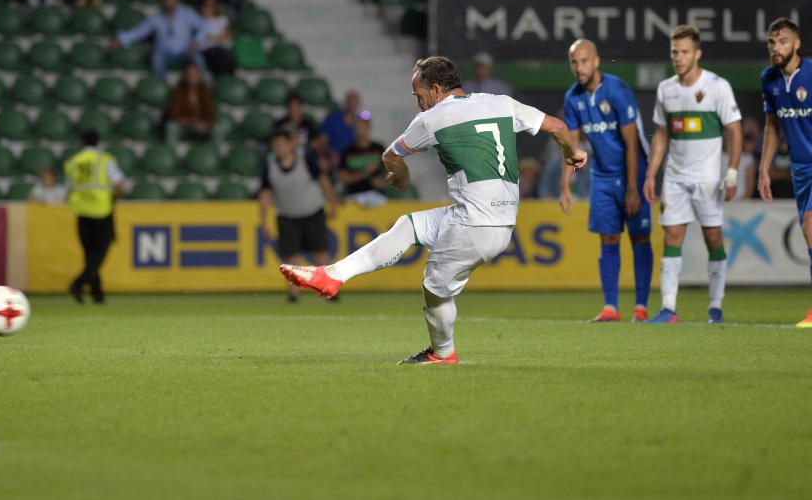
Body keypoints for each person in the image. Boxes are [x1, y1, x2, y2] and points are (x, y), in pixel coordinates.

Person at [281, 56, 587, 364]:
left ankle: (442, 353)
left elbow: (390, 155)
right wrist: (573, 152)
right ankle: (333, 275)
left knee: (434, 287)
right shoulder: (501, 103)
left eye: (419, 96)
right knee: (408, 226)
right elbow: (558, 127)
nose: (419, 104)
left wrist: (400, 173)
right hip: (496, 219)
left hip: (475, 225)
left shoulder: (434, 118)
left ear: (437, 89)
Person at [643, 25, 742, 324]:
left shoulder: (717, 86)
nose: (679, 57)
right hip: (675, 176)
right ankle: (669, 309)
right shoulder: (666, 89)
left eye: (685, 51)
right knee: (671, 235)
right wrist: (651, 174)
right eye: (675, 51)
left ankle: (715, 306)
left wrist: (733, 172)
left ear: (697, 54)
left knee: (713, 237)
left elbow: (734, 130)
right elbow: (661, 134)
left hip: (708, 178)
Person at [561, 39, 653, 323]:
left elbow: (632, 143)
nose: (580, 67)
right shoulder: (573, 97)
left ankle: (640, 306)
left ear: (597, 61)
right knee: (608, 238)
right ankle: (611, 307)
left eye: (585, 61)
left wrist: (633, 187)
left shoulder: (616, 90)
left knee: (639, 237)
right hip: (600, 176)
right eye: (575, 62)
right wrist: (565, 185)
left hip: (631, 172)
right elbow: (571, 144)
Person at [758, 18, 812, 327]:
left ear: (797, 43)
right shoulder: (769, 79)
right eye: (772, 42)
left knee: (810, 225)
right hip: (799, 169)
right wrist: (764, 169)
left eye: (783, 41)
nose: (776, 48)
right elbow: (773, 125)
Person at [260, 129, 340, 303]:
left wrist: (333, 202)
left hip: (313, 212)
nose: (279, 148)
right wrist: (264, 220)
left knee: (320, 254)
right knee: (292, 257)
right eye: (276, 145)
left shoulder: (305, 159)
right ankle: (293, 294)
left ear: (290, 144)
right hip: (287, 215)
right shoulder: (270, 166)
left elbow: (323, 180)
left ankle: (329, 289)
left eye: (282, 144)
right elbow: (265, 195)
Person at [64, 129, 127, 304]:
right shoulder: (104, 160)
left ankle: (97, 293)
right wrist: (113, 200)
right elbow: (119, 184)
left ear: (82, 142)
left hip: (81, 211)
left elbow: (68, 189)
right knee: (100, 251)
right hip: (102, 210)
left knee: (89, 253)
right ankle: (79, 283)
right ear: (98, 142)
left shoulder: (73, 162)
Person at [111, 0, 207, 76]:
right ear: (162, 0)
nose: (168, 1)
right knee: (156, 58)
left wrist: (197, 41)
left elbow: (203, 25)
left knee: (198, 58)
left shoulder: (187, 14)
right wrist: (122, 38)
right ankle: (160, 86)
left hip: (185, 52)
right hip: (164, 53)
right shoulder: (156, 18)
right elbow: (139, 32)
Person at [338, 112, 388, 207]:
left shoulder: (378, 148)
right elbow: (343, 177)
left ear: (368, 128)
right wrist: (364, 173)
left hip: (376, 196)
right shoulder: (347, 151)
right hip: (354, 196)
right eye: (357, 127)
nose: (360, 129)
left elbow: (390, 171)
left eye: (363, 126)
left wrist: (382, 180)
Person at [164, 62, 221, 144]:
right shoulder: (178, 91)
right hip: (185, 125)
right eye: (189, 75)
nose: (192, 77)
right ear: (185, 76)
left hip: (202, 126)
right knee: (171, 127)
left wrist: (205, 124)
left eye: (194, 75)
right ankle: (170, 153)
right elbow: (174, 114)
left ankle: (214, 154)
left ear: (199, 76)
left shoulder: (205, 92)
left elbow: (212, 115)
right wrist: (193, 123)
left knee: (217, 129)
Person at [196, 0, 235, 77]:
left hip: (221, 48)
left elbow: (227, 36)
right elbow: (200, 40)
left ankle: (228, 81)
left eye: (212, 5)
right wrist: (218, 37)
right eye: (207, 5)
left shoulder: (222, 19)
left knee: (229, 58)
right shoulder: (198, 21)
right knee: (220, 56)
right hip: (207, 50)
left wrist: (213, 37)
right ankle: (219, 81)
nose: (210, 8)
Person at [320, 90, 362, 157]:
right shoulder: (333, 118)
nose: (352, 104)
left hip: (353, 157)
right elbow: (322, 139)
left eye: (355, 102)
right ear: (346, 102)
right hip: (334, 156)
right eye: (350, 101)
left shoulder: (360, 122)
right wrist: (329, 153)